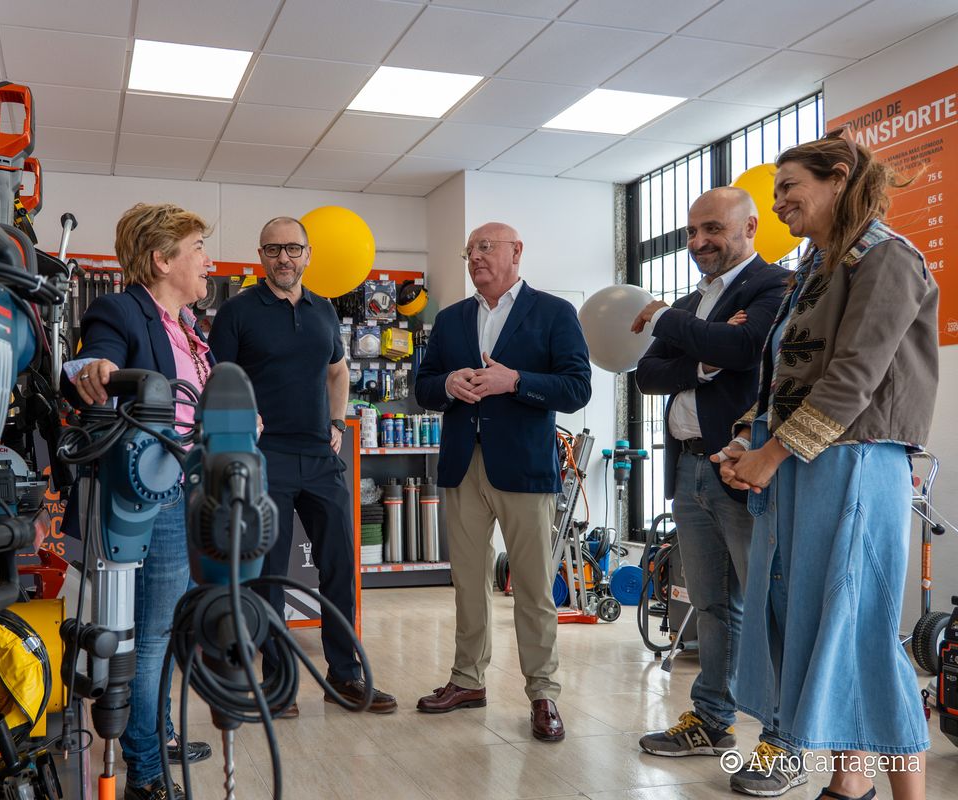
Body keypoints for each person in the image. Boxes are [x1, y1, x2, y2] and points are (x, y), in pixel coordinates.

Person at [716, 131, 938, 800]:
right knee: (820, 630)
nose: (778, 203)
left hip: (856, 464)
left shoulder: (888, 257)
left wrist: (772, 452)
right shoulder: (817, 266)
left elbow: (852, 379)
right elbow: (785, 373)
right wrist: (746, 440)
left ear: (839, 177)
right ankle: (849, 783)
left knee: (863, 632)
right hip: (802, 465)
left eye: (790, 187)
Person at [632, 188, 800, 795]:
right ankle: (710, 720)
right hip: (689, 470)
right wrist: (703, 357)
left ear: (750, 226)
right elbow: (648, 374)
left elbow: (745, 349)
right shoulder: (691, 302)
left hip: (742, 468)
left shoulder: (774, 286)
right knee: (710, 606)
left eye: (712, 229)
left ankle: (784, 739)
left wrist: (671, 324)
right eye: (691, 232)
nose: (699, 241)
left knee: (769, 607)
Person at [208, 216, 397, 716]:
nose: (284, 258)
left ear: (308, 254)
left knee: (340, 566)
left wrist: (337, 420)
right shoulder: (237, 312)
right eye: (273, 250)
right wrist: (238, 426)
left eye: (293, 249)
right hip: (264, 458)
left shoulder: (324, 310)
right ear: (260, 256)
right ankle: (278, 683)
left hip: (319, 457)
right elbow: (217, 379)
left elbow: (338, 370)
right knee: (269, 574)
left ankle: (345, 676)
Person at [62, 203, 217, 800]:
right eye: (197, 247)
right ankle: (147, 773)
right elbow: (93, 360)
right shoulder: (122, 309)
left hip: (188, 487)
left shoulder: (188, 326)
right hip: (151, 495)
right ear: (162, 259)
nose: (207, 261)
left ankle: (159, 735)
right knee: (151, 634)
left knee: (169, 628)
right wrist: (95, 367)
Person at [414, 222, 591, 742]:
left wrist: (514, 381)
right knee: (468, 583)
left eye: (486, 247)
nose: (475, 257)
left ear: (517, 251)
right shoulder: (451, 319)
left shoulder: (554, 312)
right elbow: (423, 387)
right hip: (462, 465)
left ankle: (543, 693)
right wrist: (448, 384)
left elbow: (577, 387)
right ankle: (467, 680)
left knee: (533, 587)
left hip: (524, 468)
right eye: (470, 250)